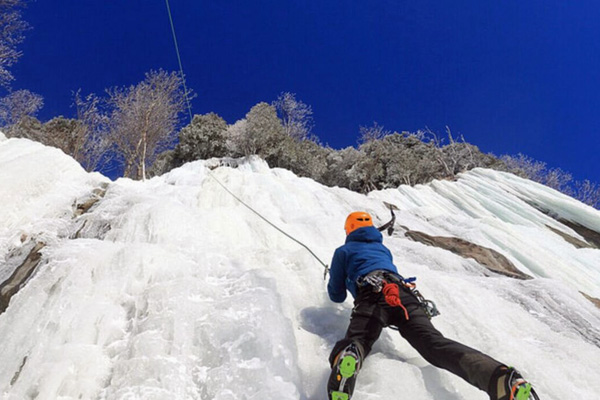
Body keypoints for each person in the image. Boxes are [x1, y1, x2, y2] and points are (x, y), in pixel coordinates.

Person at [326, 211, 538, 400]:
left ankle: (350, 357)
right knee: (433, 343)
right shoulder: (382, 249)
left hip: (372, 295)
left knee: (359, 340)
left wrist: (343, 278)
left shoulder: (344, 251)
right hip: (405, 296)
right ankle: (500, 379)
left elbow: (336, 294)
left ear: (349, 229)